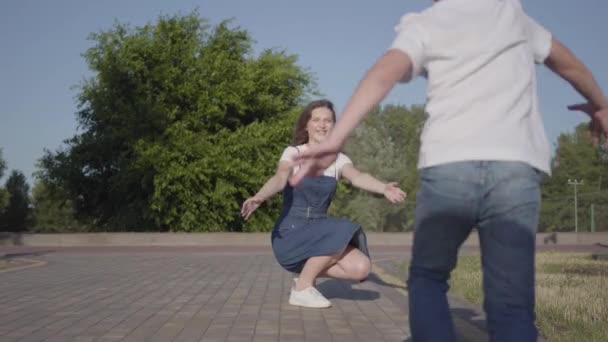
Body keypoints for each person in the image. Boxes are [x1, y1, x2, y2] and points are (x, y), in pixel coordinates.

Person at [290, 0, 608, 341]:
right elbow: (568, 64)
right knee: (511, 303)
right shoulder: (513, 17)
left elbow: (386, 71)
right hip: (515, 168)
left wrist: (337, 138)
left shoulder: (428, 21)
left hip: (448, 167)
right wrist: (601, 105)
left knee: (428, 277)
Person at [241, 99, 406, 308]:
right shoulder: (294, 153)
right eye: (316, 120)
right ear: (306, 125)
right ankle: (303, 287)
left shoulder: (338, 160)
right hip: (292, 230)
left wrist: (383, 188)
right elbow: (279, 179)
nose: (322, 125)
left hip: (319, 229)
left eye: (328, 120)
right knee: (343, 229)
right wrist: (259, 197)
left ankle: (304, 276)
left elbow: (357, 177)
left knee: (361, 267)